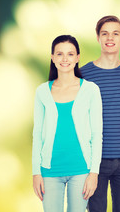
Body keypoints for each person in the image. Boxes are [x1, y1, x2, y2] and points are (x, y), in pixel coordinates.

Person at [32, 35, 103, 212]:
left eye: (70, 54)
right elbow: (37, 134)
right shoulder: (42, 91)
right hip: (49, 170)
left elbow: (97, 134)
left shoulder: (91, 90)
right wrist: (36, 172)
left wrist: (94, 173)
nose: (65, 59)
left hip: (81, 169)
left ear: (77, 57)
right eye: (60, 54)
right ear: (52, 57)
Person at [81, 15, 120, 212]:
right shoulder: (83, 75)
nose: (110, 38)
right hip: (94, 163)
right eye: (105, 33)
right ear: (98, 37)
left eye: (115, 33)